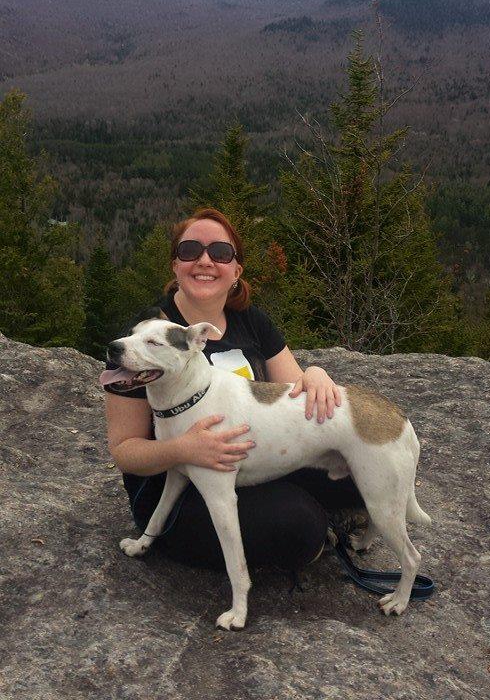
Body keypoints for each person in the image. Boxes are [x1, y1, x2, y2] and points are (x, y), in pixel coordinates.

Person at [103, 207, 365, 575]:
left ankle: (317, 512)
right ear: (175, 266)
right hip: (185, 486)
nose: (205, 261)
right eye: (190, 250)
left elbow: (293, 390)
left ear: (236, 271)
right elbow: (124, 450)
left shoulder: (251, 320)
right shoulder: (147, 340)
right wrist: (184, 448)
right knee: (300, 526)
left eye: (221, 253)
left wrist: (317, 373)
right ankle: (310, 524)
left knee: (361, 469)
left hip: (250, 462)